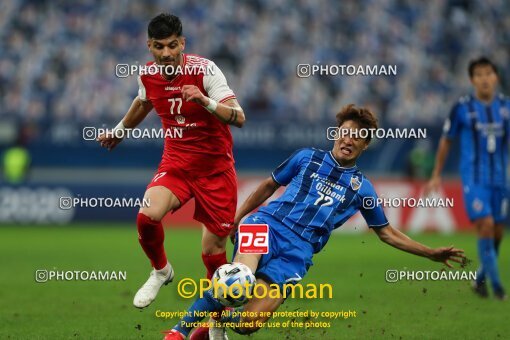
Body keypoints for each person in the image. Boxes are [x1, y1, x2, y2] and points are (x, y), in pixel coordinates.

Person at [163, 104, 465, 340]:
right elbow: (268, 186)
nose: (350, 138)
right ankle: (179, 331)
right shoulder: (306, 157)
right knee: (238, 279)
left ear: (365, 146)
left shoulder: (363, 188)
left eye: (358, 137)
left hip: (299, 251)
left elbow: (386, 233)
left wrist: (430, 253)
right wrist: (238, 218)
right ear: (336, 133)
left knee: (249, 323)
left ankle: (216, 323)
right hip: (266, 224)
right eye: (345, 132)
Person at [97, 13, 245, 309]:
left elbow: (239, 117)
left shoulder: (206, 71)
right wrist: (120, 130)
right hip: (176, 164)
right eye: (160, 46)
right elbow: (143, 101)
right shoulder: (147, 75)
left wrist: (205, 101)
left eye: (173, 45)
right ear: (149, 45)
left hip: (215, 170)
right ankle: (161, 270)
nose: (167, 53)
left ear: (183, 44)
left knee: (213, 255)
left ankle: (216, 326)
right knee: (146, 217)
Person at [426, 57, 508, 300]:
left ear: (496, 77)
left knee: (497, 233)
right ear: (472, 80)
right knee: (486, 225)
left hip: (501, 181)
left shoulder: (506, 107)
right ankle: (498, 288)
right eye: (479, 74)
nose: (484, 78)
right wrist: (436, 174)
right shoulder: (462, 108)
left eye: (488, 73)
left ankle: (480, 279)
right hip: (474, 180)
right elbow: (446, 140)